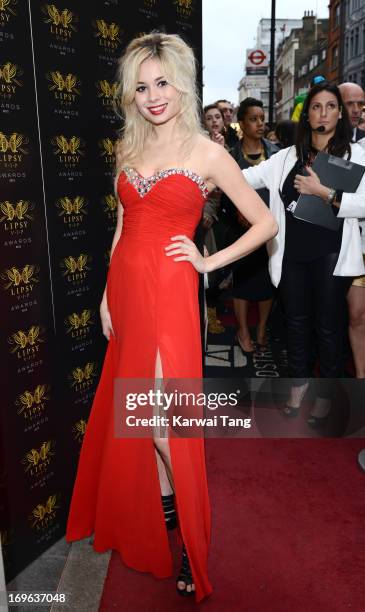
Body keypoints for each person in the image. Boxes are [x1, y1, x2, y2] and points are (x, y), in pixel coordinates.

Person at [65, 32, 277, 601]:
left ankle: (191, 544)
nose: (153, 96)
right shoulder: (126, 149)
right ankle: (165, 531)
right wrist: (107, 296)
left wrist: (208, 260)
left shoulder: (208, 153)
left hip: (170, 292)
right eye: (141, 87)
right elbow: (121, 227)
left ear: (181, 84)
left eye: (162, 83)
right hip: (128, 293)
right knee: (142, 419)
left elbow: (264, 223)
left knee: (165, 427)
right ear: (129, 95)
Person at [241, 81, 365, 421]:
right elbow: (246, 178)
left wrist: (324, 192)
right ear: (306, 115)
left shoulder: (357, 155)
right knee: (295, 323)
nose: (322, 113)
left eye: (329, 106)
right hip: (291, 251)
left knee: (328, 326)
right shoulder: (286, 156)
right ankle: (298, 387)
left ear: (340, 114)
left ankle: (327, 396)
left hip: (331, 252)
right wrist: (208, 171)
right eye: (315, 107)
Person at [221, 97, 279, 351]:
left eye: (262, 119)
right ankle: (243, 332)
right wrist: (239, 214)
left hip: (270, 227)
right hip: (240, 229)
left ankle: (262, 328)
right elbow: (225, 192)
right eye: (253, 119)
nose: (259, 124)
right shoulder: (229, 156)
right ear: (241, 123)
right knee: (242, 282)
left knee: (268, 281)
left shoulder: (276, 153)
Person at [339, 82, 365, 378]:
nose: (357, 110)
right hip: (342, 246)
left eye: (361, 104)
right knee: (351, 316)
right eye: (350, 104)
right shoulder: (320, 146)